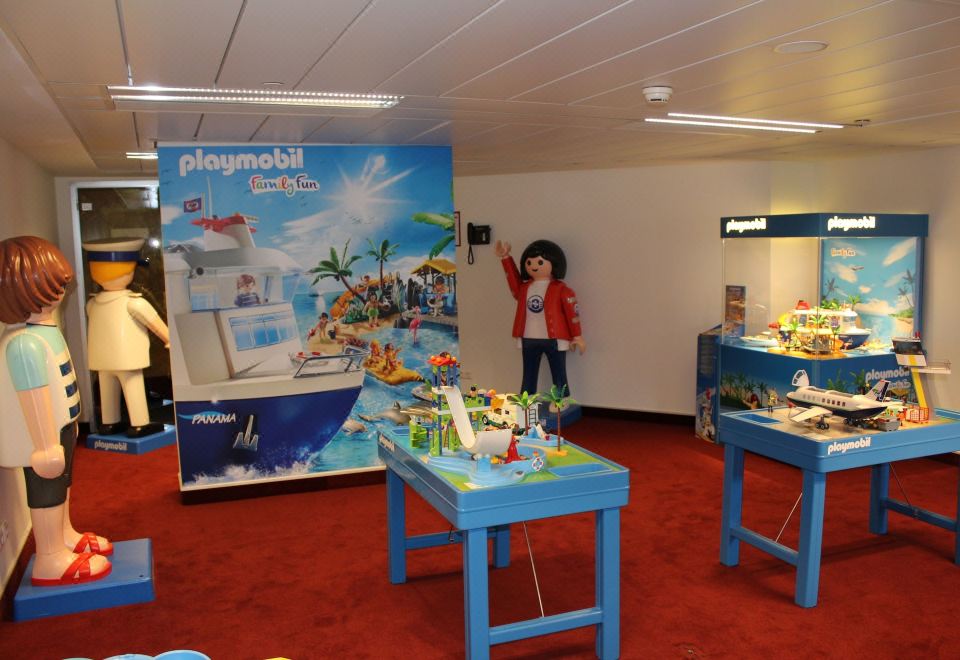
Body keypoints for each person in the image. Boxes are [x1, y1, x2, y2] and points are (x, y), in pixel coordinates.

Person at [0, 236, 113, 586]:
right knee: (46, 491)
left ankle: (63, 536)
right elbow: (31, 395)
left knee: (61, 485)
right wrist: (45, 445)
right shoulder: (24, 344)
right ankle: (49, 556)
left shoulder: (40, 333)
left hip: (60, 424)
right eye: (52, 282)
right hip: (44, 435)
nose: (61, 288)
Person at [83, 238, 170, 438]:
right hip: (127, 359)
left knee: (107, 390)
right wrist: (169, 339)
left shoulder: (93, 304)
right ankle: (139, 423)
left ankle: (109, 422)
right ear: (128, 271)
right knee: (133, 387)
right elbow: (155, 324)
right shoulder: (134, 303)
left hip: (102, 360)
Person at [495, 239, 585, 397]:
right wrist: (505, 258)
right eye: (529, 262)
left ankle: (561, 399)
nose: (534, 266)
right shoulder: (524, 288)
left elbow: (572, 313)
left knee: (558, 372)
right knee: (528, 372)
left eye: (540, 262)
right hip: (529, 338)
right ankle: (527, 399)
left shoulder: (561, 289)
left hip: (555, 339)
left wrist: (577, 335)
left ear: (554, 263)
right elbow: (513, 283)